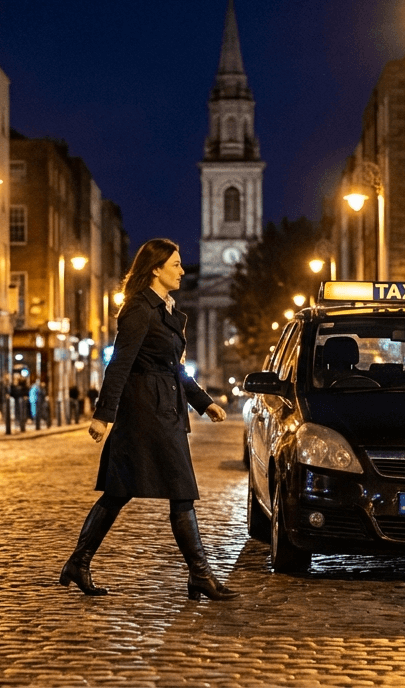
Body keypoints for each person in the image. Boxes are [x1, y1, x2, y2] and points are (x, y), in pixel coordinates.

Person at [60, 238, 237, 601]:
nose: (183, 271)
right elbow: (120, 363)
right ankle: (200, 575)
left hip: (163, 410)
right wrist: (102, 416)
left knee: (121, 492)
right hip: (147, 414)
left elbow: (175, 369)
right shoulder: (140, 308)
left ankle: (79, 562)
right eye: (175, 264)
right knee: (178, 490)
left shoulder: (166, 310)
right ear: (156, 269)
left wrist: (203, 402)